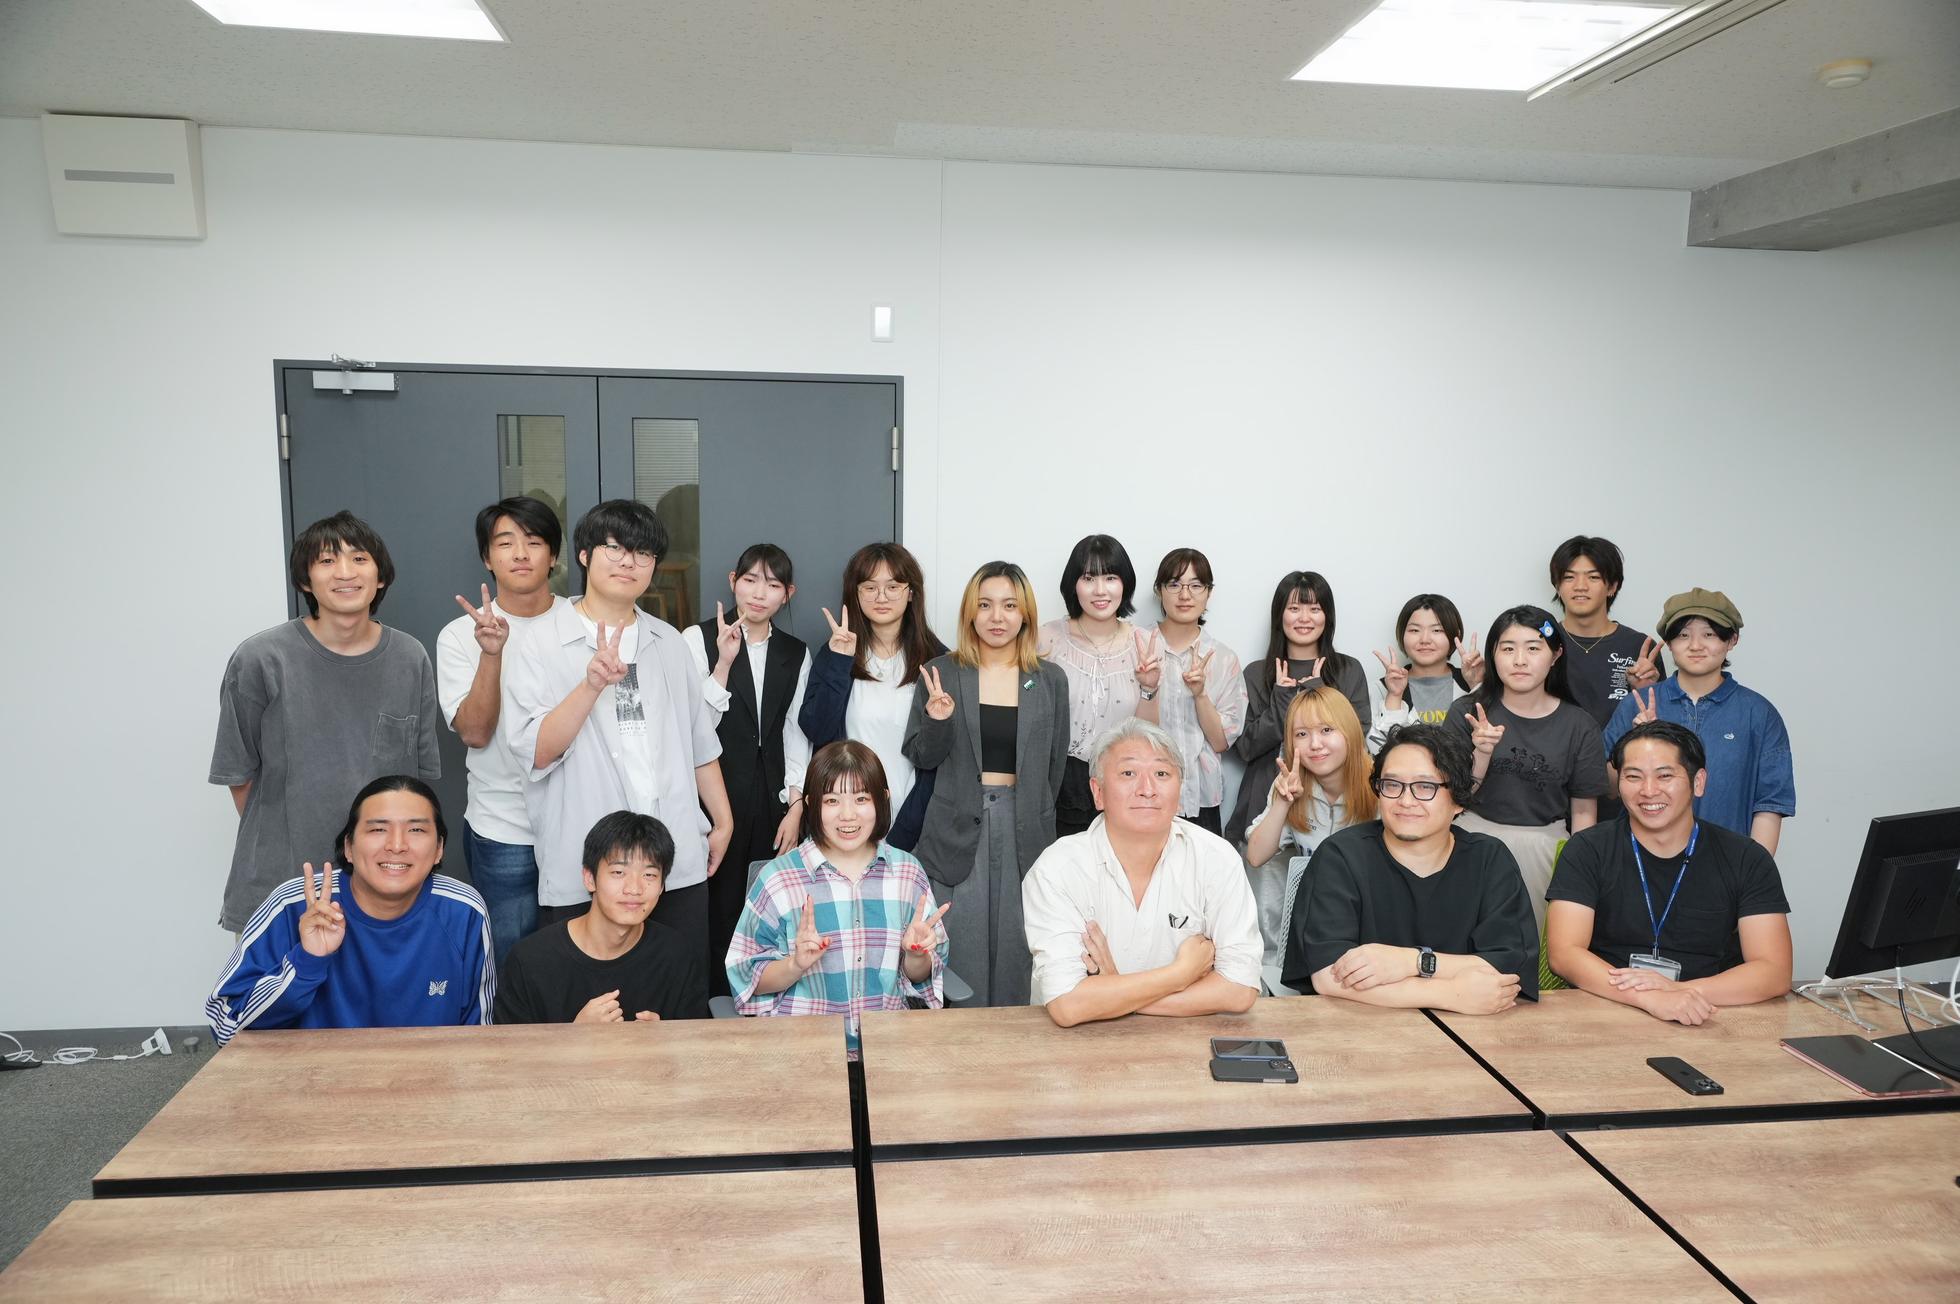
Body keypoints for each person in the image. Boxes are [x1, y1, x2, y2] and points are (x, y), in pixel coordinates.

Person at [500, 499, 734, 987]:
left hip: (671, 860)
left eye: (643, 553)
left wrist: (723, 819)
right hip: (587, 865)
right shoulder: (537, 643)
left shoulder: (668, 641)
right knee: (590, 1006)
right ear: (584, 555)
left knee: (677, 997)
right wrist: (589, 686)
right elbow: (536, 751)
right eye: (615, 548)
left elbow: (699, 743)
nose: (629, 562)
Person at [209, 511, 441, 931]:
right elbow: (239, 779)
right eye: (327, 561)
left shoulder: (410, 657)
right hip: (280, 888)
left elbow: (415, 785)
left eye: (359, 559)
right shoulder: (261, 659)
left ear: (381, 576)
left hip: (382, 891)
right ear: (305, 580)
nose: (345, 572)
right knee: (282, 978)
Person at [207, 776, 492, 1045]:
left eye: (416, 830)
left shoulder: (464, 911)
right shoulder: (293, 905)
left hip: (428, 1076)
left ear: (439, 848)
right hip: (310, 1075)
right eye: (378, 829)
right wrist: (306, 962)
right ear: (349, 847)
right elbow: (225, 1029)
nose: (397, 845)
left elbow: (479, 1038)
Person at [1546, 721, 1793, 1025]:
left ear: (1698, 782)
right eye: (1633, 777)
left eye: (1664, 776)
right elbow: (1564, 954)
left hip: (1710, 1013)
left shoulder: (1746, 857)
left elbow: (1773, 971)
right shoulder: (1587, 849)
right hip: (1606, 1008)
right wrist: (1648, 999)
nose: (1649, 791)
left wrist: (1677, 992)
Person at [904, 561, 1070, 1005]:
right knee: (959, 945)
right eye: (985, 605)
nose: (997, 617)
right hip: (959, 825)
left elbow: (1054, 766)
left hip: (1025, 826)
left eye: (1010, 606)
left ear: (1025, 614)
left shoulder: (1050, 680)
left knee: (1021, 945)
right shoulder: (941, 671)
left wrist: (1030, 808)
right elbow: (922, 756)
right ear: (969, 613)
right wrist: (937, 720)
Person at [1283, 724, 1537, 1014]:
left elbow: (1506, 967)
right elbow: (1329, 976)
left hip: (1471, 1029)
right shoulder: (1340, 856)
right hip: (1359, 1025)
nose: (1405, 801)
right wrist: (1451, 994)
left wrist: (1410, 962)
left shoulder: (1489, 859)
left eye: (1425, 787)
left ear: (1458, 800)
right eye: (1392, 785)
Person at [1023, 719, 1262, 1026]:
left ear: (1180, 790)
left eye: (1162, 774)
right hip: (1076, 1043)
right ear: (1098, 792)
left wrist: (1115, 991)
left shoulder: (1216, 859)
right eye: (1128, 773)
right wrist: (1180, 974)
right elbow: (1068, 1005)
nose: (1147, 789)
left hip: (1184, 1038)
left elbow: (1239, 989)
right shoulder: (1058, 869)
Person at [726, 741, 948, 1048]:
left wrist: (915, 955)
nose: (847, 815)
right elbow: (745, 976)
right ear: (811, 804)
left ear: (882, 800)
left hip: (887, 1046)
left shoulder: (907, 873)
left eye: (861, 799)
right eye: (831, 801)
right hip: (804, 1050)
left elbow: (920, 977)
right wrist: (795, 964)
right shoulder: (779, 879)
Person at [435, 495, 570, 967]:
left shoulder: (582, 622)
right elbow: (474, 733)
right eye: (506, 542)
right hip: (504, 825)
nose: (520, 553)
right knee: (513, 961)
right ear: (487, 557)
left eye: (534, 541)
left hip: (580, 821)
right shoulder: (459, 635)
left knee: (581, 959)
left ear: (554, 556)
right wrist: (491, 653)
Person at [683, 543, 811, 994]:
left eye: (772, 585)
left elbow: (796, 733)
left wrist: (796, 804)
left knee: (767, 908)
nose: (759, 593)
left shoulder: (796, 653)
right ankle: (713, 1004)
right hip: (713, 799)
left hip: (773, 804)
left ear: (787, 594)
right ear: (733, 582)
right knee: (713, 908)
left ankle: (762, 1002)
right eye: (750, 580)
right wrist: (723, 663)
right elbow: (693, 728)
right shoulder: (695, 639)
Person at [1444, 605, 1609, 933]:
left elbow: (1583, 812)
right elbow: (1450, 799)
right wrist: (1482, 752)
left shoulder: (1580, 726)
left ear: (1555, 655)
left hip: (1545, 849)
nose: (1519, 660)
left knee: (1536, 948)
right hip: (1469, 842)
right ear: (1493, 655)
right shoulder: (1467, 712)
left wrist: (1581, 874)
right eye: (1508, 649)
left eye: (1533, 648)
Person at [1605, 589, 1794, 852]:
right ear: (1669, 643)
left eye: (1709, 634)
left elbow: (1770, 805)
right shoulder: (1638, 703)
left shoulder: (1759, 713)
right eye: (1683, 635)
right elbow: (1609, 789)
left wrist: (1754, 871)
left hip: (1726, 862)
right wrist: (1636, 743)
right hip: (1640, 861)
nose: (1695, 646)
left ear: (1732, 640)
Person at [798, 542, 946, 851]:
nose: (881, 597)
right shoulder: (835, 652)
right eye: (869, 587)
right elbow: (817, 729)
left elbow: (941, 756)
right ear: (855, 593)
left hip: (917, 821)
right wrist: (839, 661)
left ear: (911, 592)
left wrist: (906, 830)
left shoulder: (938, 661)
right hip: (845, 820)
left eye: (893, 586)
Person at [494, 811, 708, 1024]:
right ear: (589, 878)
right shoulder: (529, 961)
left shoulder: (677, 956)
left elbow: (697, 1041)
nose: (634, 888)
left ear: (661, 886)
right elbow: (506, 1045)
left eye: (649, 875)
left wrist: (666, 1038)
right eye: (618, 872)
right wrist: (574, 1037)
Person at [1242, 687, 1379, 989]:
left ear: (1349, 731)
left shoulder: (1380, 784)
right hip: (1313, 923)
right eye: (1301, 734)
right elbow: (1256, 856)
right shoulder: (1289, 785)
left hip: (1371, 923)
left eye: (1326, 730)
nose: (1315, 744)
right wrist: (1282, 803)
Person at [1225, 571, 1372, 845]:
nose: (1304, 618)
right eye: (1294, 608)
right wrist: (1281, 702)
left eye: (1314, 609)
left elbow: (1357, 739)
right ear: (1279, 615)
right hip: (1264, 805)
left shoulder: (1347, 669)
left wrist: (1317, 693)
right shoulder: (1257, 673)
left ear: (1327, 616)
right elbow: (1245, 748)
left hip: (1334, 812)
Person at [1037, 534, 1145, 839]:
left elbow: (1149, 732)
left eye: (1110, 578)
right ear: (1073, 584)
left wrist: (1150, 687)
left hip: (1123, 778)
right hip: (1058, 780)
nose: (1100, 590)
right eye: (1088, 578)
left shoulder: (1145, 643)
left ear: (1125, 584)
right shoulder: (1046, 639)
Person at [1135, 548, 1246, 835]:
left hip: (1201, 795)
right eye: (1174, 584)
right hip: (1142, 791)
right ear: (1159, 590)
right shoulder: (1137, 646)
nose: (1185, 595)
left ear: (1208, 593)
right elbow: (1132, 734)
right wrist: (1148, 688)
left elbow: (1220, 742)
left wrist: (1200, 694)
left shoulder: (1223, 658)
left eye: (1196, 585)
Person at [1548, 535, 1666, 729]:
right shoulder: (1541, 642)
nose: (1580, 586)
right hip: (1555, 748)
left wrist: (1645, 689)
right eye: (1569, 577)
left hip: (1623, 748)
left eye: (1593, 577)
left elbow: (1660, 723)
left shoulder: (1639, 647)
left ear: (1612, 586)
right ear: (1557, 586)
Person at [1366, 593, 1478, 749]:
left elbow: (1492, 739)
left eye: (1437, 630)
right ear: (1402, 635)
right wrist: (1394, 696)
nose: (1425, 639)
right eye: (1414, 630)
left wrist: (1476, 686)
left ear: (1455, 636)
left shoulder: (1471, 683)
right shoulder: (1380, 689)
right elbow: (1378, 751)